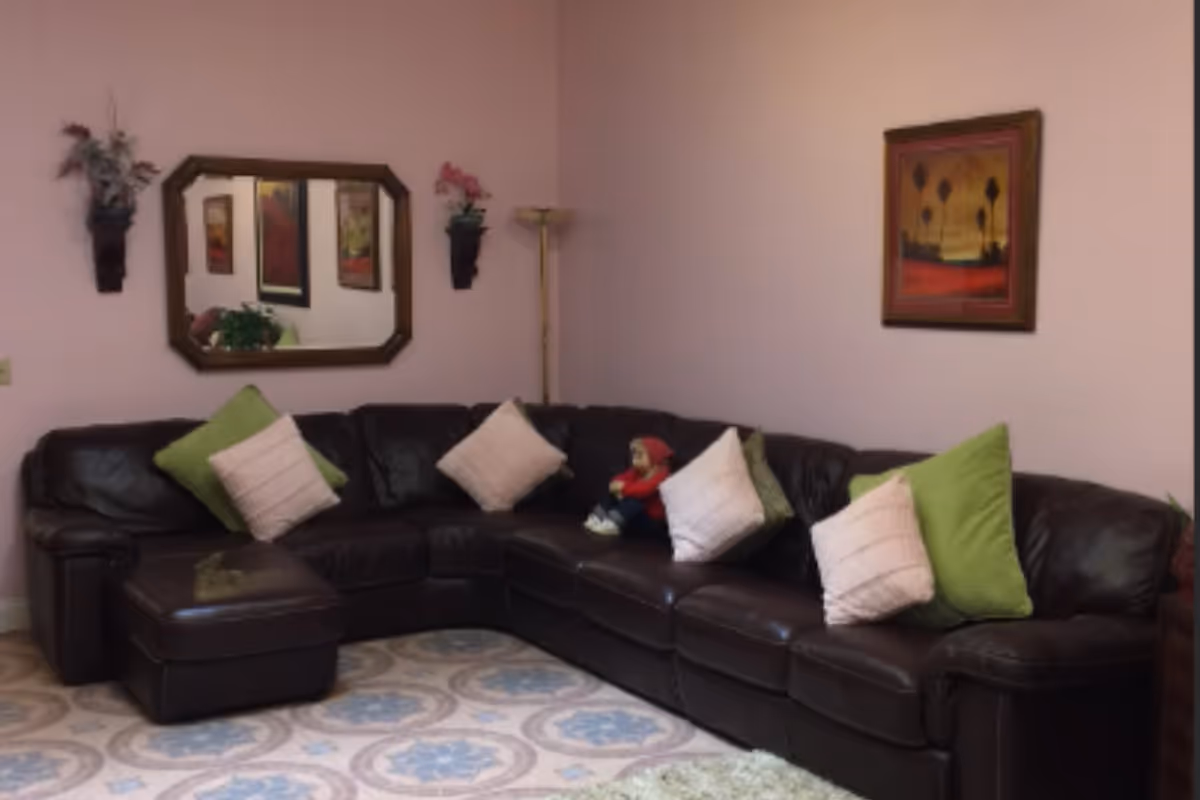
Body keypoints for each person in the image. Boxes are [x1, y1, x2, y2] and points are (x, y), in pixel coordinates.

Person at [584, 437, 673, 537]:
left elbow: (644, 490)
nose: (634, 458)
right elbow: (621, 478)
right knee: (613, 495)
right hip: (631, 517)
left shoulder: (662, 476)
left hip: (651, 521)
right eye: (634, 454)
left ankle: (613, 523)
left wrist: (623, 488)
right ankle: (597, 516)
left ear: (655, 458)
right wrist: (616, 485)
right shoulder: (637, 471)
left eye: (639, 456)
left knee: (636, 500)